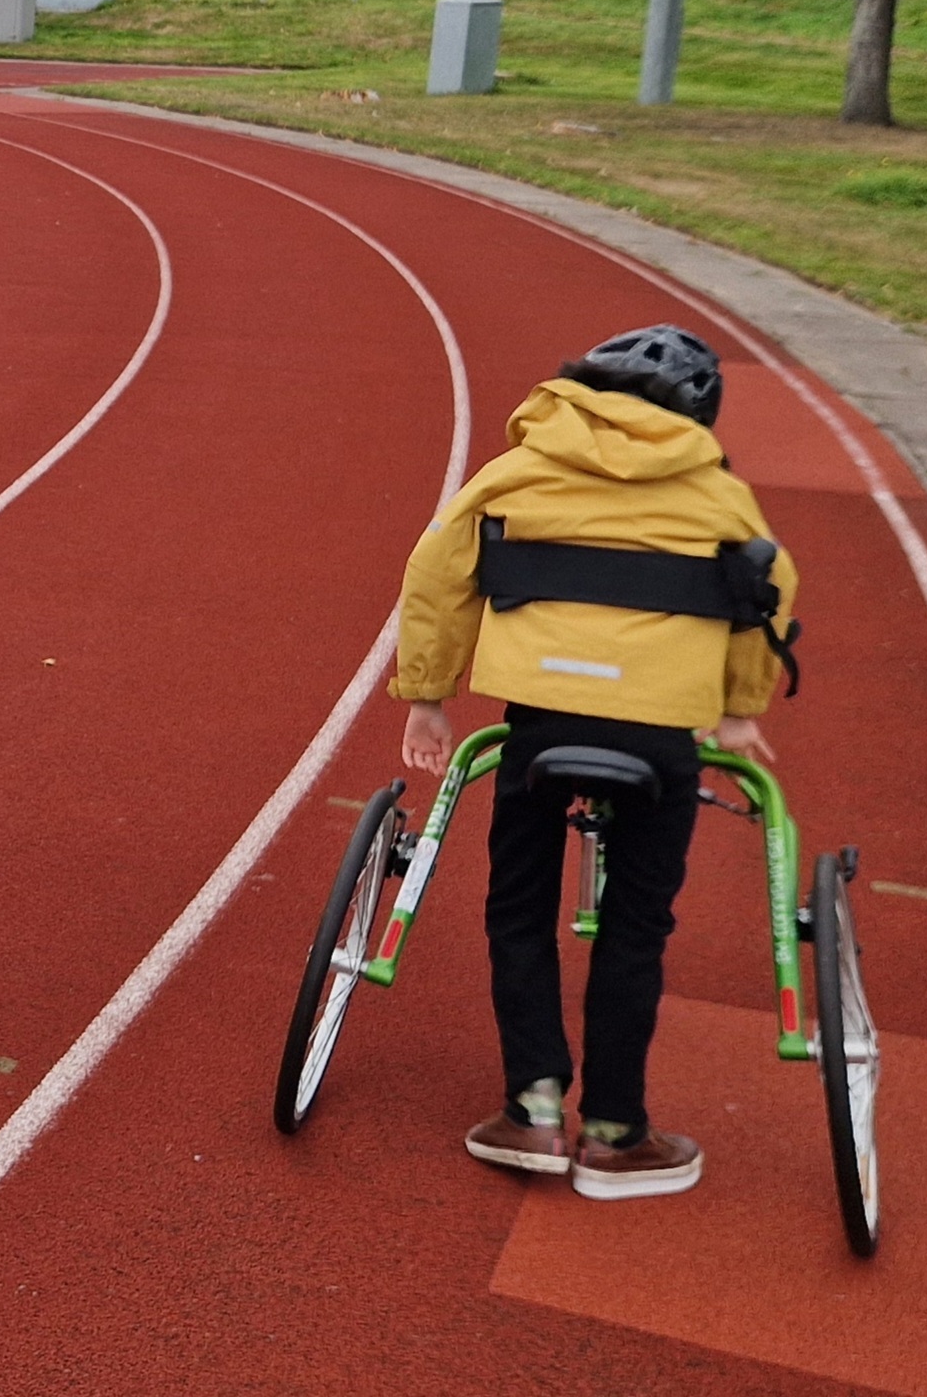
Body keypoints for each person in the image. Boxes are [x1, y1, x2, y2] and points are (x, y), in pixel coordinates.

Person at [391, 324, 801, 1199]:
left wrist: (428, 695)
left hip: (542, 720)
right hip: (658, 732)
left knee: (518, 905)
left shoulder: (516, 470)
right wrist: (739, 711)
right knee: (637, 927)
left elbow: (437, 571)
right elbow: (768, 590)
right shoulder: (717, 494)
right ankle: (616, 1133)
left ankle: (532, 1108)